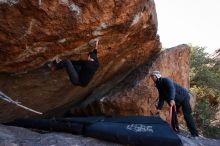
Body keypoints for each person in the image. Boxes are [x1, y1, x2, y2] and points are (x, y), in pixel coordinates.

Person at [150, 71, 199, 137]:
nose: (152, 78)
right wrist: (159, 108)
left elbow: (172, 89)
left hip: (184, 97)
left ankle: (194, 134)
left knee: (187, 115)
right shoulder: (158, 84)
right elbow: (161, 96)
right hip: (175, 100)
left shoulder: (166, 80)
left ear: (157, 76)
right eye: (151, 76)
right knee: (173, 114)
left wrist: (171, 99)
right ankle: (175, 129)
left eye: (153, 76)